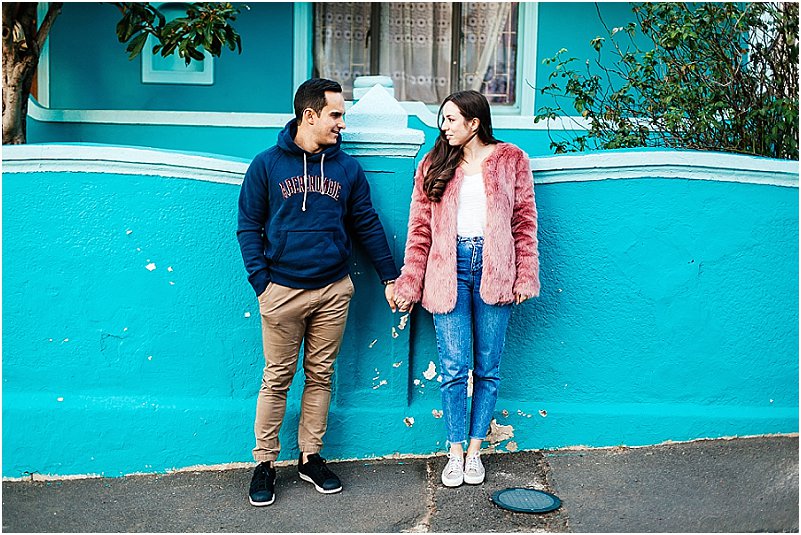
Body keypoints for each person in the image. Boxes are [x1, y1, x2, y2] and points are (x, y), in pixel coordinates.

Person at [237, 78, 400, 506]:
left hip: (332, 289)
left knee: (321, 375)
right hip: (281, 291)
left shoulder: (346, 169)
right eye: (336, 115)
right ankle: (265, 463)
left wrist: (389, 276)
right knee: (276, 378)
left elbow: (366, 223)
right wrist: (262, 284)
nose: (342, 124)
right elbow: (248, 227)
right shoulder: (266, 165)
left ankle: (310, 458)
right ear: (309, 116)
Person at [393, 90, 539, 487]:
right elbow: (419, 230)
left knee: (488, 368)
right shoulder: (433, 163)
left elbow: (524, 222)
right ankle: (455, 451)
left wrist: (525, 274)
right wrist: (411, 280)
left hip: (495, 267)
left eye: (451, 119)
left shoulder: (512, 159)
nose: (444, 126)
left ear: (474, 123)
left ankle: (476, 452)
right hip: (448, 269)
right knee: (455, 367)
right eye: (442, 119)